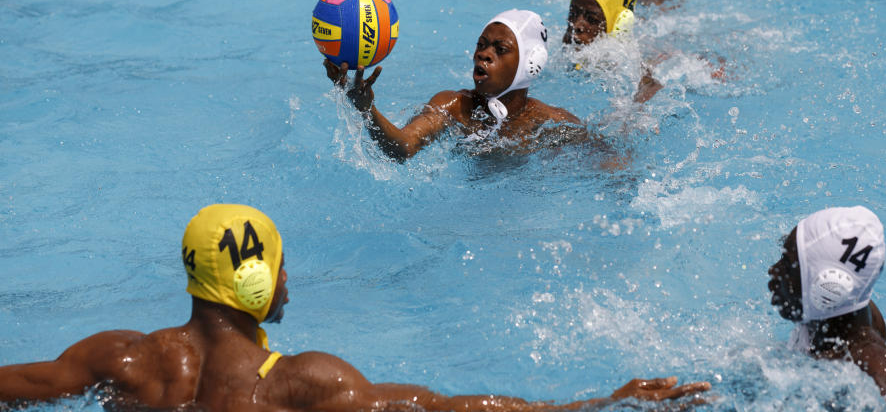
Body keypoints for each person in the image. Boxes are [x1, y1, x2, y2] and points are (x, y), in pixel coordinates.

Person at [0, 203, 711, 410]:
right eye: (280, 265)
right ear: (255, 281)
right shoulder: (302, 384)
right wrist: (598, 404)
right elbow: (441, 408)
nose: (288, 279)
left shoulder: (119, 361)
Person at [327, 9, 581, 160]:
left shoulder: (550, 122)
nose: (484, 54)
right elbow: (404, 147)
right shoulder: (453, 106)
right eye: (481, 45)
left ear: (530, 63)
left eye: (500, 49)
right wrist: (367, 109)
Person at [767, 206, 886, 412]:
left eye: (787, 264)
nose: (774, 271)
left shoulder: (864, 360)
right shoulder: (844, 308)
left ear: (828, 287)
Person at [562, 0, 676, 104]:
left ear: (616, 23)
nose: (576, 25)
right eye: (573, 13)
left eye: (591, 19)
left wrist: (635, 109)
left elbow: (651, 85)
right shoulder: (572, 38)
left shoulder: (625, 56)